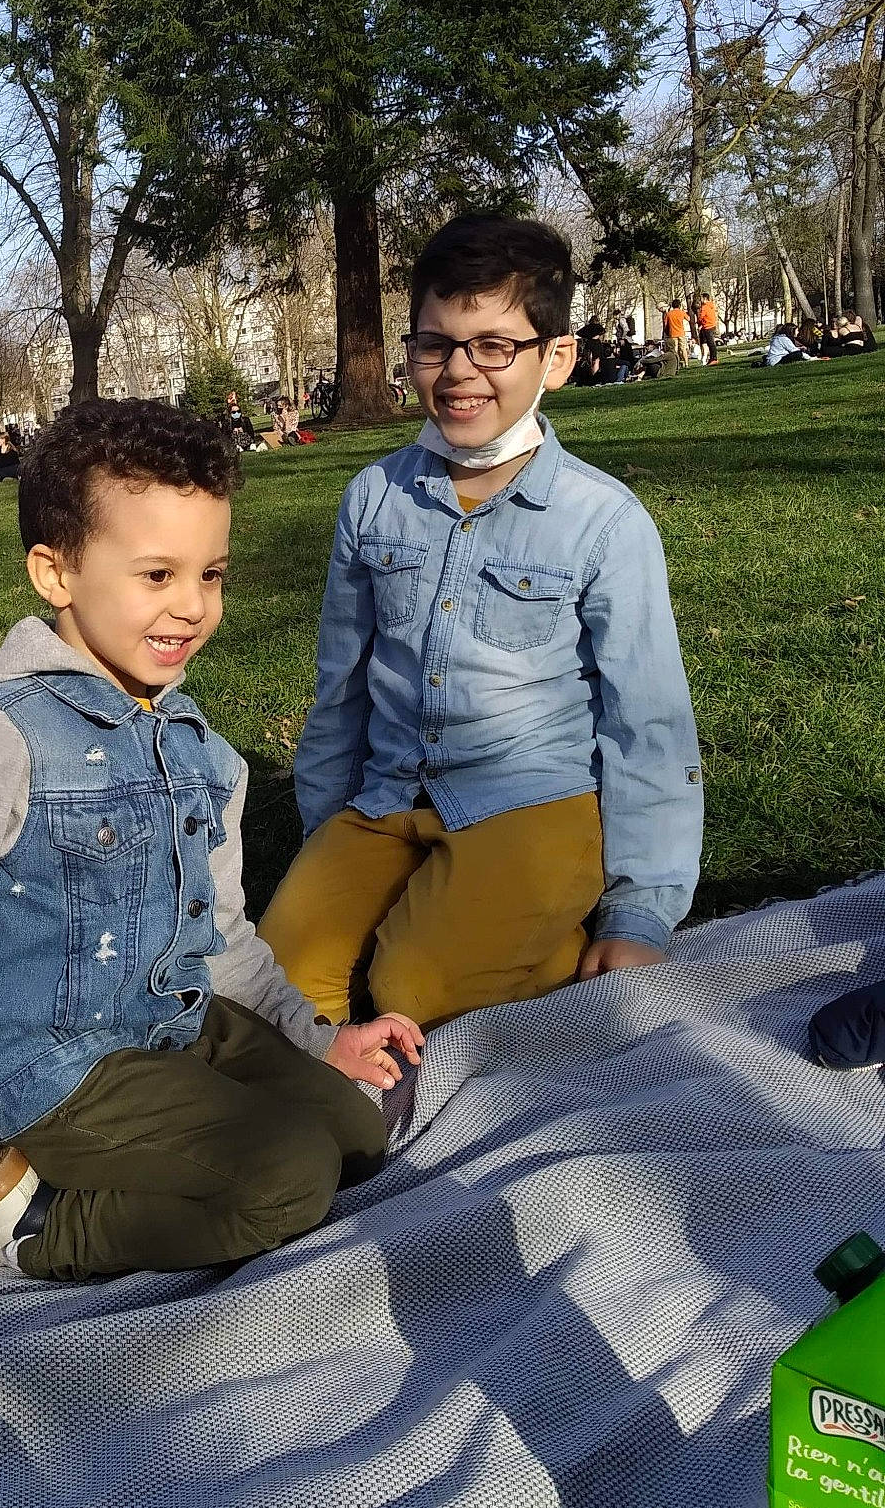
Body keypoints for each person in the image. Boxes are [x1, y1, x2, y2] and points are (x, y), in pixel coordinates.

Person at [0, 398, 420, 1283]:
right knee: (289, 1176)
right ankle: (27, 1229)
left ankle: (177, 1142)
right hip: (49, 1063)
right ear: (54, 573)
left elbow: (220, 935)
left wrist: (311, 1034)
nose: (192, 607)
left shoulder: (196, 747)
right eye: (156, 575)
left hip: (173, 1024)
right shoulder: (0, 736)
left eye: (210, 574)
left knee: (357, 1131)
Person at [255, 214, 703, 1036]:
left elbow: (650, 723)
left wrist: (638, 913)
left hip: (533, 805)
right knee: (281, 981)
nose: (459, 372)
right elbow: (341, 689)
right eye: (436, 344)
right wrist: (327, 844)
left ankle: (552, 939)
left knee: (409, 983)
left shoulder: (603, 521)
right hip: (390, 797)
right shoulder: (374, 497)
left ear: (555, 358)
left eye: (494, 346)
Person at [663, 298, 691, 371]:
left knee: (674, 350)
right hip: (681, 333)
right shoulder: (681, 312)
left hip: (672, 334)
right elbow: (688, 319)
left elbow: (665, 325)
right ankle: (686, 363)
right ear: (679, 305)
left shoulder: (669, 314)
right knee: (683, 349)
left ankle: (676, 365)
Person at [695, 293, 720, 364]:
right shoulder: (711, 306)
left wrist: (699, 322)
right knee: (711, 342)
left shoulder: (704, 307)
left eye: (701, 298)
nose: (701, 300)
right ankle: (712, 358)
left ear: (705, 299)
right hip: (712, 325)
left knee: (710, 343)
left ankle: (713, 358)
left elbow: (701, 317)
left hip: (707, 326)